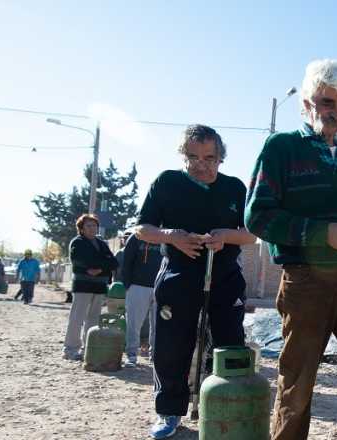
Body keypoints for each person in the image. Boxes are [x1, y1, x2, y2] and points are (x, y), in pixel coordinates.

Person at [245, 59, 337, 440]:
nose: (336, 113)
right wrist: (320, 233)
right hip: (305, 279)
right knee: (298, 379)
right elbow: (257, 216)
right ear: (307, 103)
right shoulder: (282, 147)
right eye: (327, 102)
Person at [135, 124, 256, 439]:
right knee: (171, 345)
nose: (201, 165)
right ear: (183, 155)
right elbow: (142, 228)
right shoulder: (167, 182)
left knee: (229, 342)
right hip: (178, 273)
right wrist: (171, 236)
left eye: (209, 158)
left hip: (225, 274)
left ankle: (224, 405)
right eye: (193, 157)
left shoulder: (235, 189)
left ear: (221, 157)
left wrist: (225, 236)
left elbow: (252, 234)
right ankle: (169, 411)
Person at [62, 214, 118, 361]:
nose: (92, 228)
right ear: (81, 228)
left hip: (99, 286)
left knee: (93, 319)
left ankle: (88, 348)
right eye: (88, 225)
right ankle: (70, 349)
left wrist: (99, 268)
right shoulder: (77, 242)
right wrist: (100, 264)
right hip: (83, 286)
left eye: (94, 225)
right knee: (77, 317)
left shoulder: (102, 243)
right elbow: (80, 260)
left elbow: (113, 262)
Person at [120, 233, 162, 367]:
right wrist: (128, 286)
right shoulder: (135, 237)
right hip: (137, 286)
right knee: (134, 323)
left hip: (161, 286)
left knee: (159, 325)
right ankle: (131, 355)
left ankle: (155, 357)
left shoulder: (167, 237)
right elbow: (126, 262)